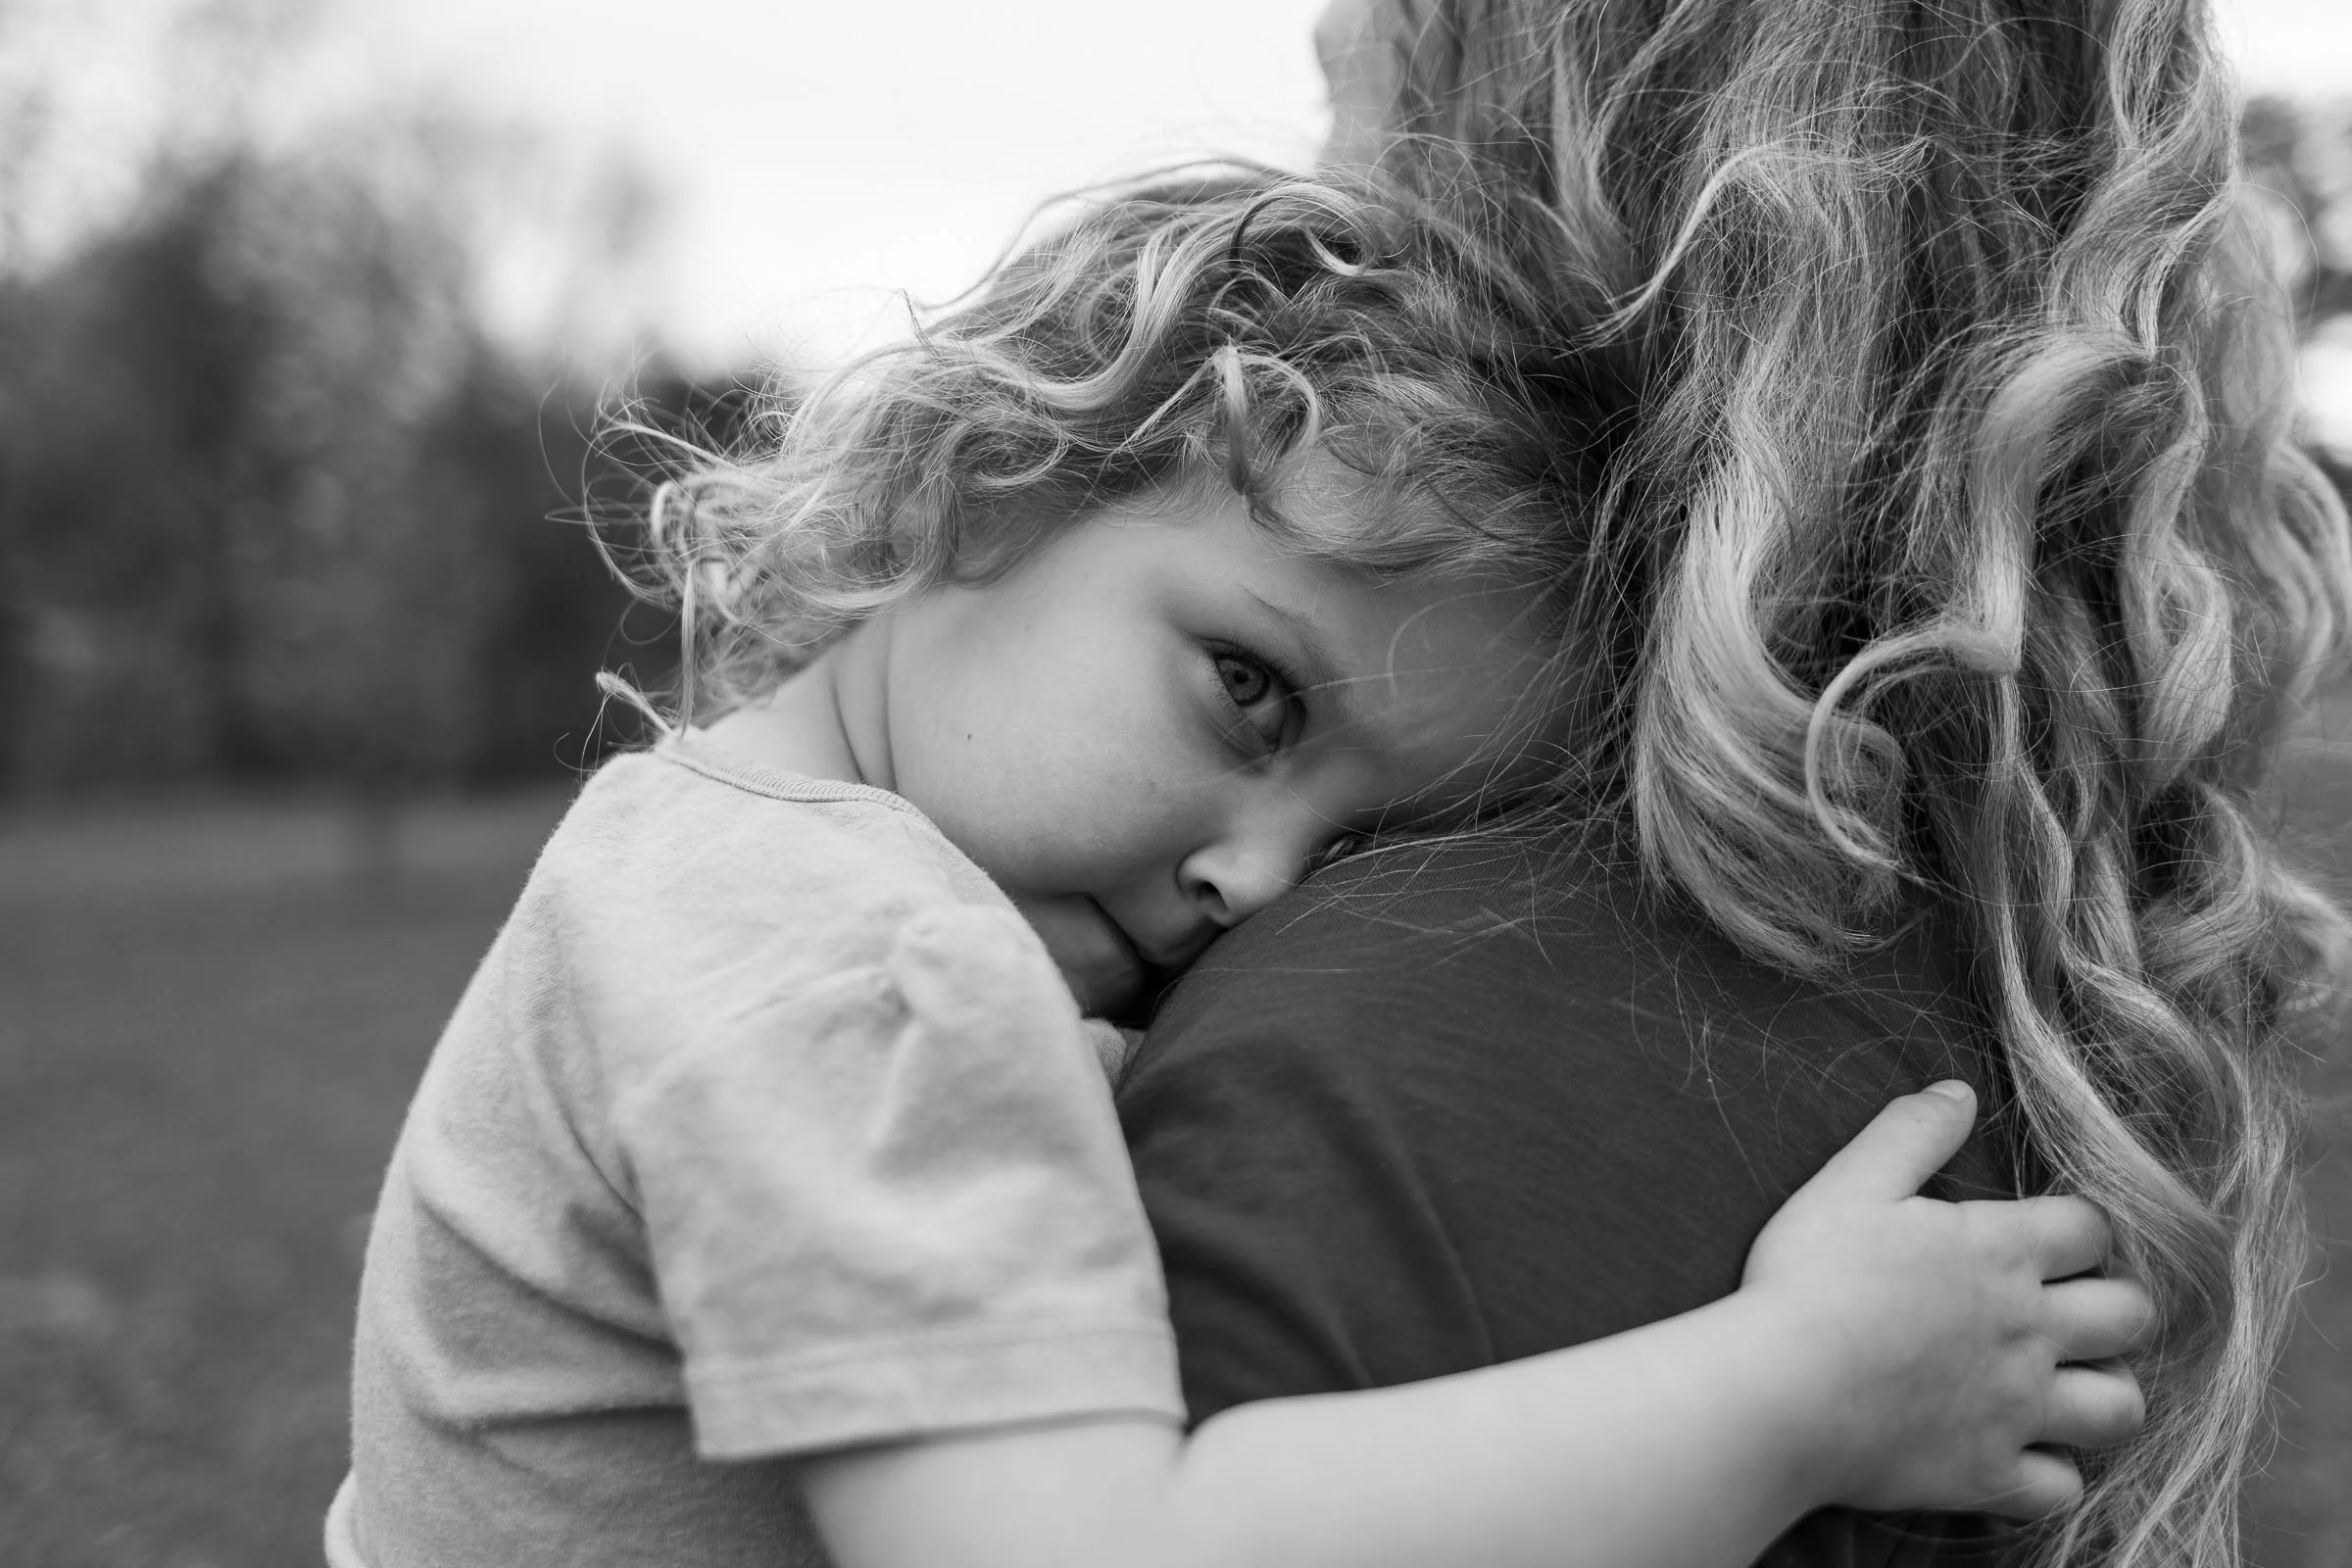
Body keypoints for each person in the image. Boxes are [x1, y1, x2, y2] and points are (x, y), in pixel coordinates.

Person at [326, 174, 2150, 1568]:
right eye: (1252, 693)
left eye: (1364, 844)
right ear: (998, 473)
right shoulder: (862, 977)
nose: (1268, 887)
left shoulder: (683, 852)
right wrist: (1803, 1396)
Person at [1120, 3, 2352, 1566]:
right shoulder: (1971, 982)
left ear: (1554, 127)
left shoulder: (1364, 1056)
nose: (1326, 46)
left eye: (1385, 34)